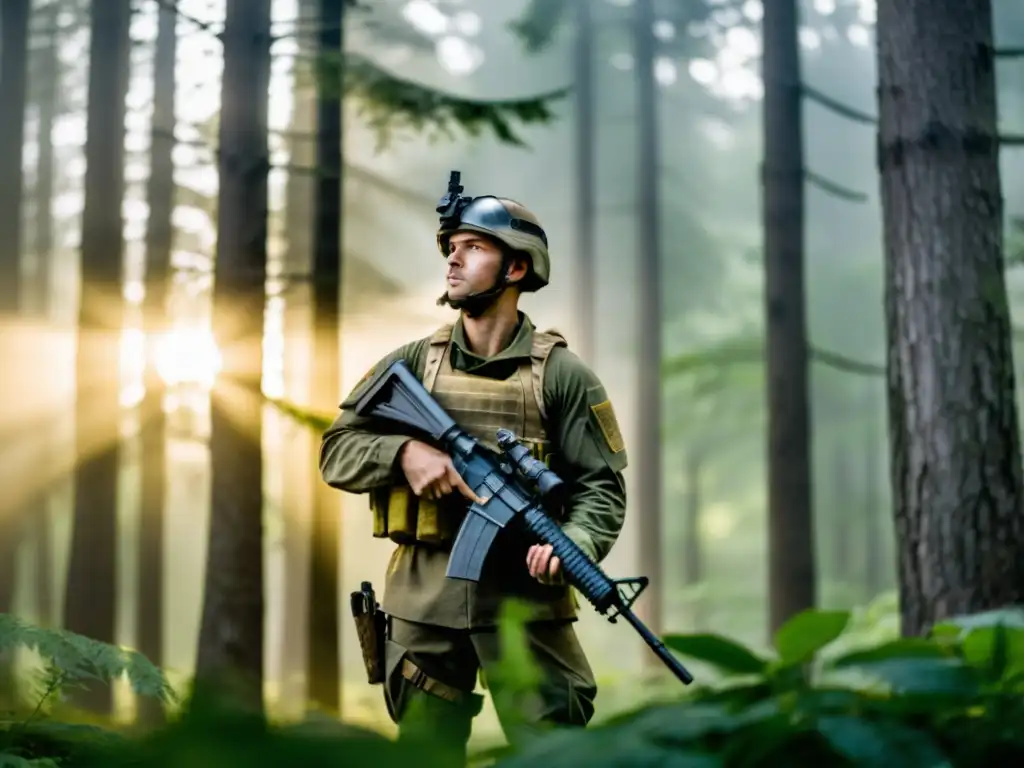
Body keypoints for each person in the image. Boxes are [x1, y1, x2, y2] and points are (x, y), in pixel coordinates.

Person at [318, 173, 628, 761]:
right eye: (450, 248)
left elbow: (601, 488)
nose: (453, 261)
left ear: (516, 269)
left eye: (473, 248)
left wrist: (576, 542)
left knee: (553, 755)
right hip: (422, 605)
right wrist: (402, 453)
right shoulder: (413, 364)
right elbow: (337, 450)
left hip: (527, 608)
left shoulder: (563, 377)